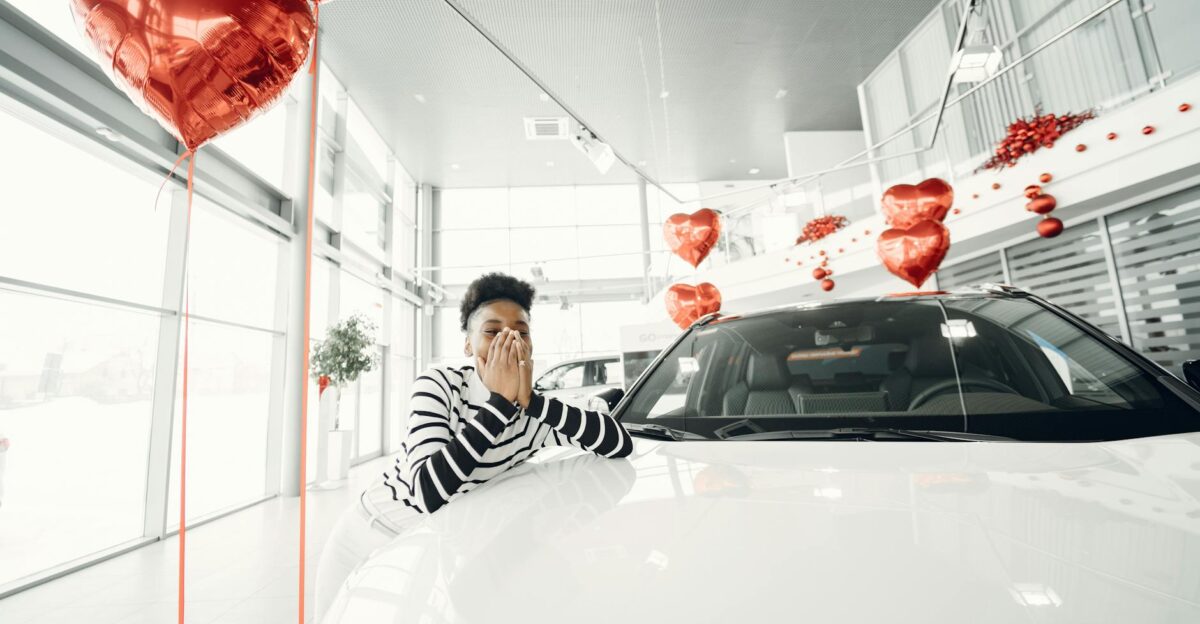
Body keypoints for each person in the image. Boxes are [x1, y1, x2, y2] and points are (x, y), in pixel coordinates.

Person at [315, 272, 634, 619]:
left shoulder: (534, 415)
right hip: (367, 532)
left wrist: (534, 404)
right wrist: (500, 404)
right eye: (492, 331)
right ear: (468, 344)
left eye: (521, 332)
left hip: (423, 547)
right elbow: (429, 491)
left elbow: (619, 442)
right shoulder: (439, 385)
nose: (508, 340)